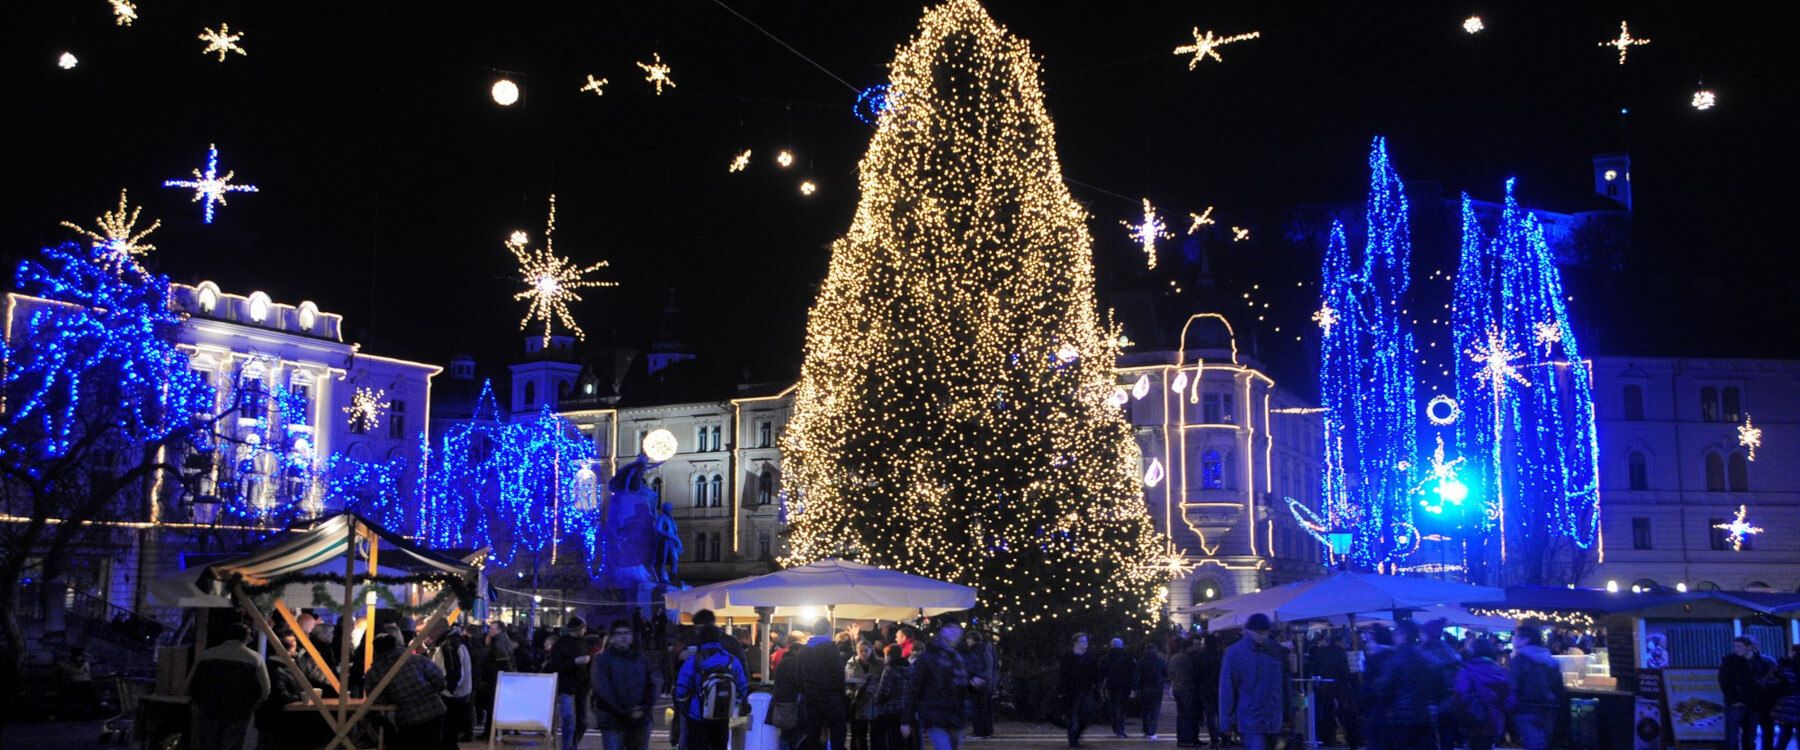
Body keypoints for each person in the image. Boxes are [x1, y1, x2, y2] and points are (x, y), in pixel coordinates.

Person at [189, 622, 270, 750]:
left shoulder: (206, 655)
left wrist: (199, 703)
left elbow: (191, 684)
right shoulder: (255, 659)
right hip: (238, 713)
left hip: (208, 710)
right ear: (246, 637)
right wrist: (251, 707)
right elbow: (265, 690)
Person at [907, 616, 981, 750]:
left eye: (957, 630)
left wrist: (972, 685)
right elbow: (914, 687)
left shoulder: (958, 656)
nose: (955, 633)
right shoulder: (930, 655)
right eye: (951, 629)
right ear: (943, 631)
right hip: (935, 713)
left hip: (955, 714)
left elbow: (960, 687)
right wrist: (906, 720)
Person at [1218, 614, 1289, 750]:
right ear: (1249, 630)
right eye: (1259, 631)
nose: (1262, 635)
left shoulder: (1276, 650)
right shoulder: (1235, 653)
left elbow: (1285, 686)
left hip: (1272, 718)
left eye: (1265, 631)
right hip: (1251, 720)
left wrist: (1288, 715)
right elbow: (1227, 690)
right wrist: (1226, 722)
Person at [1374, 621, 1448, 750]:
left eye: (1395, 634)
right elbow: (1441, 689)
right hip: (1426, 716)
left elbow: (1384, 689)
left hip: (1401, 718)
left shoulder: (1395, 659)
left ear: (1401, 635)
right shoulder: (1430, 658)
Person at [368, 632, 448, 750]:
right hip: (434, 709)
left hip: (407, 717)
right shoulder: (415, 659)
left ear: (376, 650)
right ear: (396, 645)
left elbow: (375, 698)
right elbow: (439, 679)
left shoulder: (374, 672)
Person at [674, 626, 749, 750]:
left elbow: (681, 690)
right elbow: (742, 686)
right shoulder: (732, 660)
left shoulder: (693, 661)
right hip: (723, 715)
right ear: (719, 640)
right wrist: (731, 703)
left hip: (697, 716)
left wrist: (687, 709)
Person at [593, 620, 655, 750]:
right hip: (613, 721)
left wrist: (644, 707)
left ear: (632, 636)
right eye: (619, 633)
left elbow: (651, 686)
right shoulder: (603, 659)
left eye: (627, 633)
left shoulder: (642, 659)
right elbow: (602, 690)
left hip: (640, 721)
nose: (623, 637)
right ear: (612, 637)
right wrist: (625, 712)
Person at [795, 618, 850, 750]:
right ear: (828, 630)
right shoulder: (831, 648)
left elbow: (798, 675)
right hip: (831, 698)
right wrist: (841, 695)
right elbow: (838, 674)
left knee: (813, 734)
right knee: (837, 732)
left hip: (810, 698)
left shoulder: (804, 650)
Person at [1508, 625, 1566, 750]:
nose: (1514, 639)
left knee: (1532, 743)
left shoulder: (1519, 659)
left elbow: (1514, 685)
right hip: (1550, 707)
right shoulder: (1549, 657)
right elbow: (1558, 685)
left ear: (1526, 639)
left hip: (1527, 707)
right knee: (1544, 743)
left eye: (1517, 636)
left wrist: (1510, 706)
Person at [1721, 634, 1779, 750]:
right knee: (1733, 736)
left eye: (1739, 646)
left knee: (1748, 735)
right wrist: (1733, 699)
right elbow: (1725, 681)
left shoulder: (1762, 661)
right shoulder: (1731, 661)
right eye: (1736, 646)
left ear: (1749, 647)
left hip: (1752, 704)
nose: (1736, 649)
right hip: (1738, 703)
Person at [1453, 638, 1509, 750]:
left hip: (1473, 718)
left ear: (1473, 651)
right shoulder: (1502, 671)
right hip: (1496, 720)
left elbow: (1460, 693)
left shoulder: (1468, 670)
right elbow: (1510, 699)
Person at [547, 623, 593, 750]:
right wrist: (574, 662)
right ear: (578, 629)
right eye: (583, 628)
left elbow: (589, 664)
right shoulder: (561, 644)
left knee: (582, 721)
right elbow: (555, 665)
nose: (585, 630)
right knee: (569, 719)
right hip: (566, 686)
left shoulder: (584, 643)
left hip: (582, 686)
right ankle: (568, 747)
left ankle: (572, 744)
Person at [1308, 632, 1353, 748]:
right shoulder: (1340, 653)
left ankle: (1322, 736)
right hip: (1336, 688)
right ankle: (1332, 737)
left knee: (1322, 713)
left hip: (1321, 687)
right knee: (1333, 713)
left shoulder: (1319, 652)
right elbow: (1345, 673)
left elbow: (1314, 669)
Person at [433, 623, 475, 744]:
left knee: (448, 732)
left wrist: (448, 690)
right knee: (452, 733)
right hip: (462, 692)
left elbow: (454, 672)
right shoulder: (456, 642)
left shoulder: (448, 645)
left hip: (452, 695)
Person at [1356, 624, 1396, 750]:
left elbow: (1369, 689)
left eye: (1369, 639)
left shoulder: (1376, 659)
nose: (1367, 643)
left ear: (1375, 639)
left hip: (1377, 712)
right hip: (1397, 713)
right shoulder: (1397, 656)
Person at [1060, 633, 1100, 747]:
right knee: (1072, 716)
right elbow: (1063, 674)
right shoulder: (1068, 657)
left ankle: (1076, 735)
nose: (1085, 644)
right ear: (1075, 643)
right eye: (1082, 641)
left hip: (1086, 689)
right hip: (1071, 690)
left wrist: (1095, 686)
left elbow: (1095, 673)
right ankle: (1073, 739)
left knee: (1086, 715)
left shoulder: (1091, 657)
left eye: (1086, 641)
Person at [872, 644, 913, 750]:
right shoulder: (909, 667)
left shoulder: (890, 669)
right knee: (899, 740)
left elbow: (884, 690)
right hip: (904, 709)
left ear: (889, 656)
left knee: (879, 735)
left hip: (889, 709)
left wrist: (876, 700)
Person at [961, 628, 999, 739]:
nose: (967, 641)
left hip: (982, 683)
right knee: (982, 707)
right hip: (984, 682)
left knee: (980, 707)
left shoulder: (981, 651)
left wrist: (976, 677)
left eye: (968, 639)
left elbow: (985, 667)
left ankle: (981, 731)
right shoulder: (984, 650)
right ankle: (983, 731)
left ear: (973, 639)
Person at [1099, 637, 1136, 739]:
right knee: (1122, 707)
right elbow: (1133, 671)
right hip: (1125, 685)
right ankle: (1120, 729)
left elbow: (1101, 671)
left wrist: (1101, 683)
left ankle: (1116, 727)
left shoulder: (1106, 657)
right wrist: (1133, 685)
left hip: (1112, 685)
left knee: (1113, 705)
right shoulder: (1127, 657)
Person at [1169, 637, 1202, 747]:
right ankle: (1187, 740)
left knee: (1182, 715)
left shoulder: (1175, 657)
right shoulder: (1187, 658)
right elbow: (1193, 674)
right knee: (1188, 716)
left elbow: (1170, 673)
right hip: (1187, 689)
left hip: (1178, 688)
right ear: (1189, 646)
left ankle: (1183, 739)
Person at [849, 639, 882, 750]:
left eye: (866, 650)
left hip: (874, 703)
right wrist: (852, 695)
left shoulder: (879, 663)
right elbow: (847, 684)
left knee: (876, 735)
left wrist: (875, 691)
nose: (863, 653)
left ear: (871, 650)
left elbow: (883, 681)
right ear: (857, 650)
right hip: (859, 703)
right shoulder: (851, 664)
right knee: (860, 735)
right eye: (861, 650)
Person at [1195, 635, 1225, 749]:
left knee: (1210, 716)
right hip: (1220, 688)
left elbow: (1196, 674)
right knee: (1221, 714)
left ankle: (1214, 740)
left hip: (1206, 689)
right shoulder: (1221, 656)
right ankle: (1225, 738)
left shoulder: (1200, 656)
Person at [1137, 641, 1169, 740]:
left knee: (1145, 711)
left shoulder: (1141, 661)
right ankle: (1152, 731)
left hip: (1144, 688)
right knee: (1154, 711)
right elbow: (1166, 674)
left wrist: (1136, 688)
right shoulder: (1160, 661)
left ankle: (1146, 730)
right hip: (1157, 689)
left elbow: (1137, 676)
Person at [1773, 645, 1800, 750]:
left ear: (1793, 653)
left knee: (1783, 737)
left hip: (1785, 708)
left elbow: (1777, 686)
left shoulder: (1784, 668)